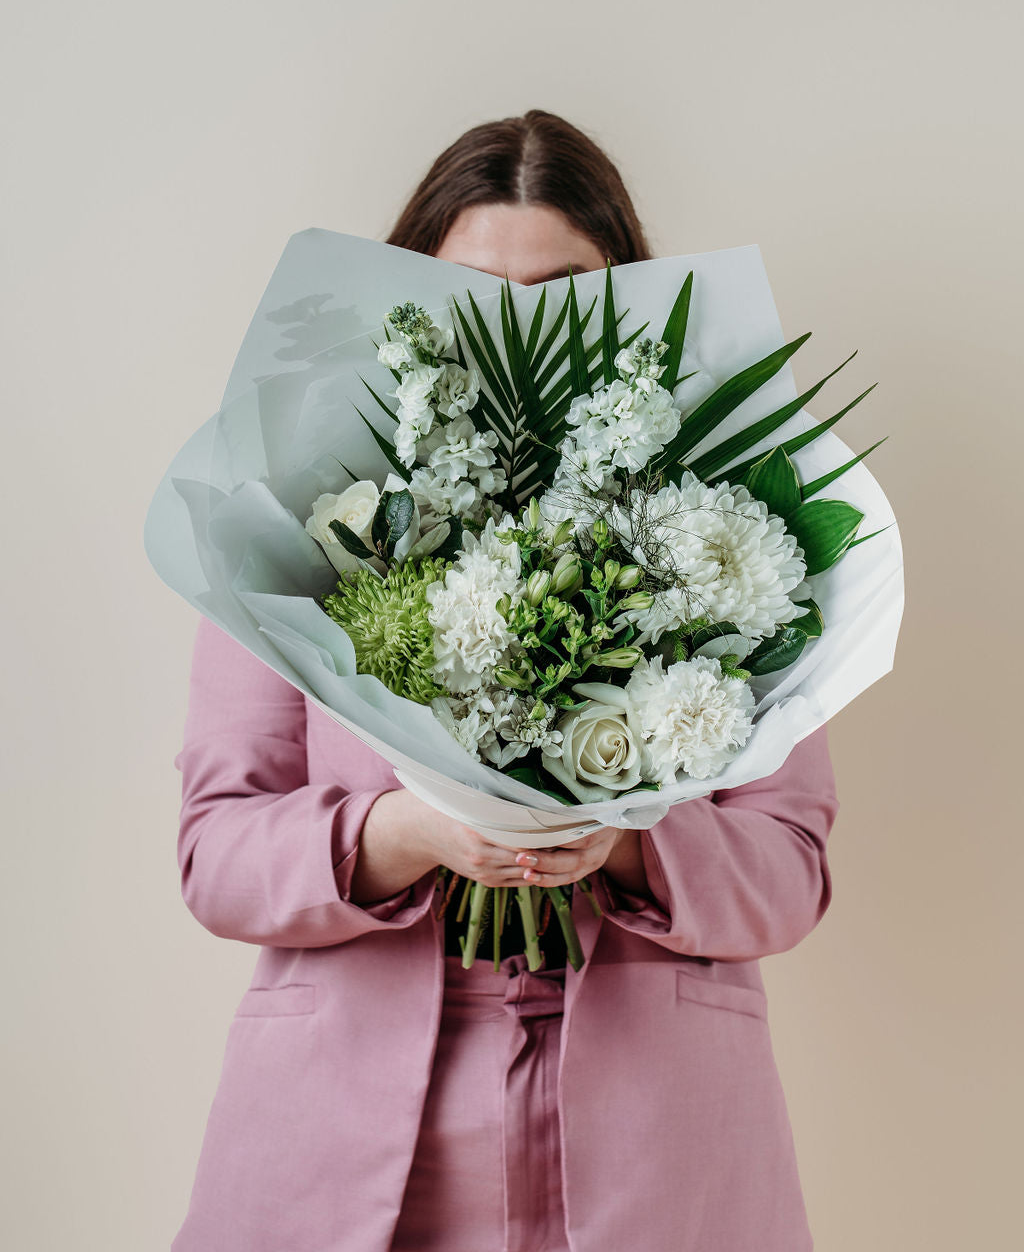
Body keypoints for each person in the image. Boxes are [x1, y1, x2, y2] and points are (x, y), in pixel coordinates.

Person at [170, 109, 838, 1252]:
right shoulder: (293, 512)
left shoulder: (726, 529)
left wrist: (621, 838)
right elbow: (215, 856)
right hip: (352, 1132)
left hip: (656, 1140)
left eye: (566, 291)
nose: (523, 328)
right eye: (475, 291)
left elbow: (789, 874)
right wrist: (410, 829)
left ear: (627, 296)